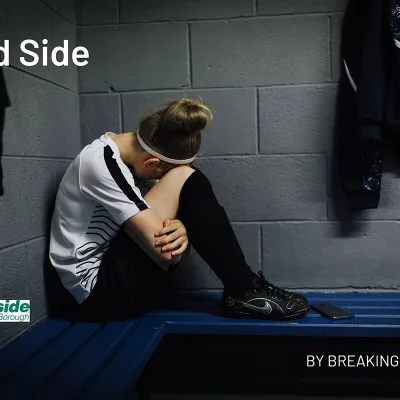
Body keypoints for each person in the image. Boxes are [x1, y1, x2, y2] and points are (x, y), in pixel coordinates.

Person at [49, 98, 309, 322]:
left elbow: (166, 238)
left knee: (186, 179)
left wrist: (183, 227)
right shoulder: (101, 164)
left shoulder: (117, 152)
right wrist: (179, 236)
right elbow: (170, 255)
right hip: (95, 295)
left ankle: (244, 288)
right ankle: (243, 290)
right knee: (187, 177)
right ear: (152, 162)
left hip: (114, 273)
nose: (162, 181)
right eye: (163, 172)